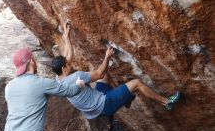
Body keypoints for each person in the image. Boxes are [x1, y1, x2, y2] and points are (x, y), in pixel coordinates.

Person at [51, 22, 180, 120]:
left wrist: (67, 37)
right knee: (136, 83)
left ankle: (126, 100)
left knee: (105, 75)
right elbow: (98, 73)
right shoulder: (76, 77)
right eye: (68, 64)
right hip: (105, 105)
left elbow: (68, 56)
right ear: (64, 68)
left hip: (93, 107)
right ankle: (167, 102)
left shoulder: (59, 79)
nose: (70, 62)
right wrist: (107, 56)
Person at [3, 46, 85, 131]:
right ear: (31, 62)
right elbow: (69, 91)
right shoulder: (40, 83)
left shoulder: (9, 87)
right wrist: (79, 85)